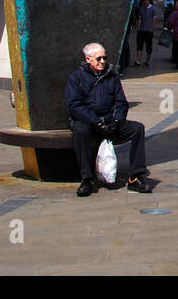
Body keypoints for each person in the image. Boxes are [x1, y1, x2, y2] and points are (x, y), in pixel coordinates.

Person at [65, 43, 156, 196]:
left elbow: (121, 102)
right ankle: (87, 179)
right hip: (89, 122)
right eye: (98, 58)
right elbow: (74, 106)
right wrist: (96, 121)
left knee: (137, 128)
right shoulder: (76, 78)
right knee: (80, 130)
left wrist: (117, 120)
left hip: (109, 121)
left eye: (104, 58)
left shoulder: (112, 77)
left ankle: (136, 177)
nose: (102, 61)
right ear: (88, 59)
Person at [135, 0, 156, 67]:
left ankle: (148, 61)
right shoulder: (141, 8)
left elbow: (154, 20)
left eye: (147, 0)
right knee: (139, 46)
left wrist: (152, 29)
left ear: (150, 1)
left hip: (148, 30)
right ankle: (138, 60)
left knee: (148, 46)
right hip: (141, 30)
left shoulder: (153, 9)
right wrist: (138, 28)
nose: (146, 2)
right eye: (144, 0)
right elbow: (140, 19)